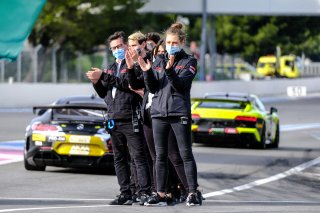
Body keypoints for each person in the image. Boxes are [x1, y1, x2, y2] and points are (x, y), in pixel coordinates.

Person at [138, 23, 202, 206]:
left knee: (185, 154)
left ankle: (192, 192)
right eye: (168, 42)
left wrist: (169, 70)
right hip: (158, 113)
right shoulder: (158, 60)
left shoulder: (189, 61)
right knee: (160, 155)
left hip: (178, 112)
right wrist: (147, 71)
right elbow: (152, 87)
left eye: (174, 42)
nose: (171, 45)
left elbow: (181, 86)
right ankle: (160, 193)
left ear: (181, 42)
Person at [86, 31, 151, 205]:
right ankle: (125, 192)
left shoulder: (135, 64)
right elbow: (104, 94)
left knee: (138, 157)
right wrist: (96, 82)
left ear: (126, 46)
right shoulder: (109, 67)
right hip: (113, 118)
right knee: (119, 158)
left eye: (119, 46)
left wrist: (104, 76)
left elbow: (129, 85)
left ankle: (144, 192)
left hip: (131, 117)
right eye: (113, 48)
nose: (117, 50)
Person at [127, 38, 189, 205]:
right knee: (156, 157)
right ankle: (162, 191)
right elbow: (135, 83)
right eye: (159, 52)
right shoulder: (150, 66)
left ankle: (187, 189)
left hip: (166, 113)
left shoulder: (166, 68)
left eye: (163, 51)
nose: (162, 54)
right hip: (150, 115)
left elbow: (175, 86)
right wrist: (131, 67)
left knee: (174, 156)